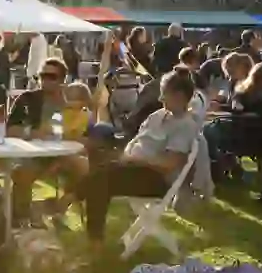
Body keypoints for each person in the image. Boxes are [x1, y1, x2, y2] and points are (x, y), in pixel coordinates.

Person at [85, 69, 199, 245]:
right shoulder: (157, 115)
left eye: (164, 94)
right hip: (135, 169)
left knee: (100, 178)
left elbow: (169, 165)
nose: (160, 99)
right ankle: (94, 240)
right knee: (99, 172)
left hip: (156, 180)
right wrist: (126, 157)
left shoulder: (184, 126)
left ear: (179, 96)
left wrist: (134, 160)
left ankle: (87, 232)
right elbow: (136, 141)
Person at [8, 58, 89, 225]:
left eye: (51, 76)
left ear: (62, 80)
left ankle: (57, 207)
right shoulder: (27, 99)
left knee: (84, 168)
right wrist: (32, 133)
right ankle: (21, 219)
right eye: (42, 76)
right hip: (34, 154)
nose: (45, 80)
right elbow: (9, 130)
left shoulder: (71, 102)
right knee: (21, 172)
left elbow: (86, 132)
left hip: (63, 155)